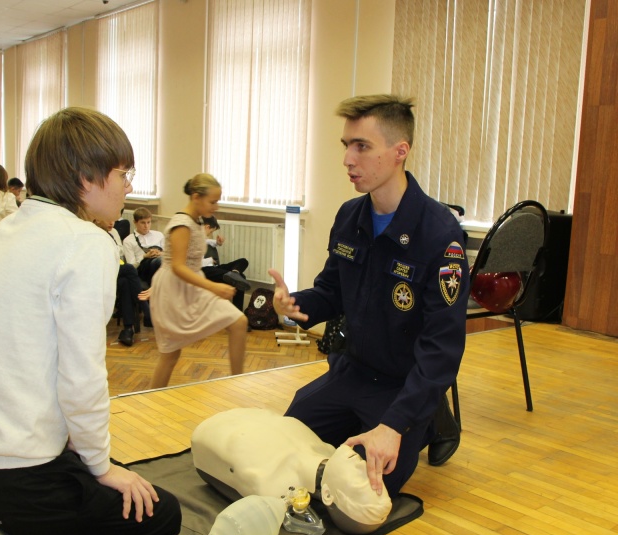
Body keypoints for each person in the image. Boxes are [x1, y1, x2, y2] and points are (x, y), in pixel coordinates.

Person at [0, 107, 181, 535]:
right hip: (11, 481)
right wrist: (103, 466)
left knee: (100, 475)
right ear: (86, 178)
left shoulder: (10, 228)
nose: (128, 186)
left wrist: (90, 461)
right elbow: (82, 377)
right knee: (161, 516)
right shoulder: (84, 243)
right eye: (123, 174)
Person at [268, 94, 468, 500]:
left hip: (401, 385)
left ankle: (429, 419)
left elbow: (442, 346)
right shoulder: (349, 217)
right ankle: (406, 418)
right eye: (346, 146)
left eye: (362, 146)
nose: (348, 159)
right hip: (353, 371)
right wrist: (295, 306)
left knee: (366, 491)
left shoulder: (440, 235)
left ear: (400, 152)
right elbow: (331, 291)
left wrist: (395, 425)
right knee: (281, 451)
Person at [191, 408, 393, 534]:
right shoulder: (326, 450)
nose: (362, 466)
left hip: (207, 433)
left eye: (359, 481)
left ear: (328, 495)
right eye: (371, 476)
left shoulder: (268, 482)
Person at [148, 173, 248, 389]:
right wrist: (213, 286)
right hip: (174, 290)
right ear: (196, 197)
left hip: (192, 286)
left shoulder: (197, 220)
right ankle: (149, 399)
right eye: (213, 201)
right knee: (170, 354)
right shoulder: (181, 224)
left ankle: (238, 382)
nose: (216, 207)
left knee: (239, 322)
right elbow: (178, 266)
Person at [93, 218, 151, 347]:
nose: (111, 222)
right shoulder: (93, 232)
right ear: (97, 219)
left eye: (114, 220)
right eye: (108, 219)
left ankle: (128, 329)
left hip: (115, 268)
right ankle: (145, 308)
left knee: (125, 282)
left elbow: (119, 253)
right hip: (99, 270)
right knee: (130, 269)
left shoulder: (113, 232)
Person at [200, 215, 251, 311]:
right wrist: (210, 260)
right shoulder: (192, 239)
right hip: (204, 270)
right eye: (211, 232)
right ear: (207, 227)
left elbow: (208, 241)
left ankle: (235, 273)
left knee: (243, 261)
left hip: (213, 268)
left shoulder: (200, 238)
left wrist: (218, 242)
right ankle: (237, 314)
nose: (209, 234)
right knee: (242, 279)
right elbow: (192, 264)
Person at [122, 207, 164, 285]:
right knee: (159, 261)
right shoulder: (128, 240)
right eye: (143, 223)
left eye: (149, 222)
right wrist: (144, 256)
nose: (146, 226)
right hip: (143, 270)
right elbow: (131, 267)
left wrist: (160, 253)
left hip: (161, 263)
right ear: (135, 222)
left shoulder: (159, 235)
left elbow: (169, 254)